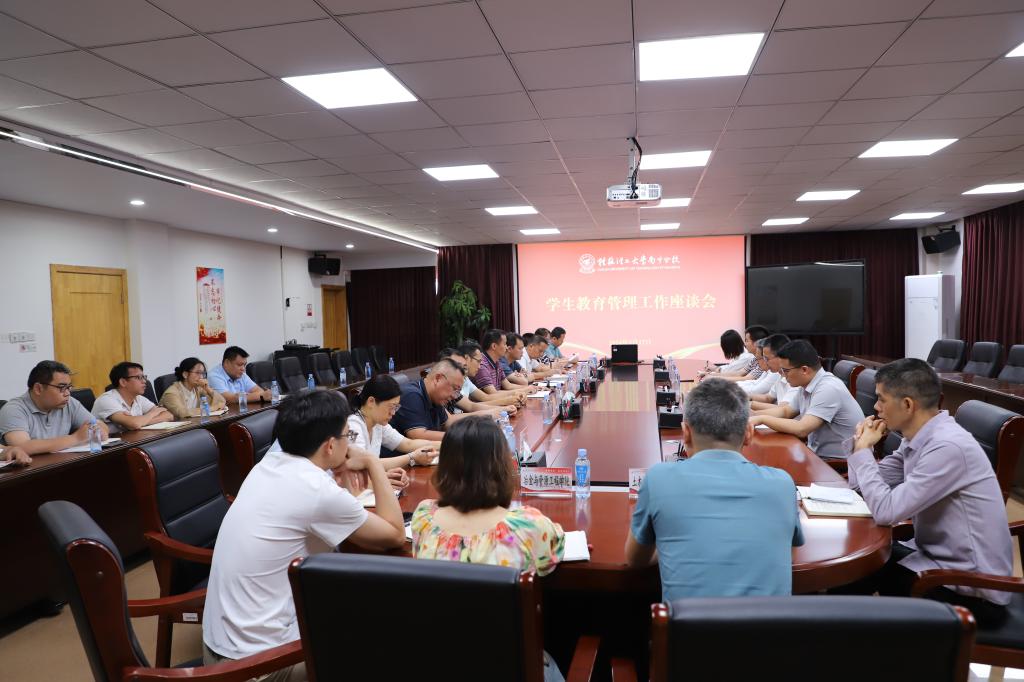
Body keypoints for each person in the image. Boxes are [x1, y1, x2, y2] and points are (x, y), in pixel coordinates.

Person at [203, 390, 405, 680]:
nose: (350, 445)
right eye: (348, 436)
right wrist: (373, 463)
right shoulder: (314, 489)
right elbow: (396, 534)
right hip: (257, 667)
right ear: (329, 445)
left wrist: (340, 475)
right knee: (385, 634)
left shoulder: (268, 465)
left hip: (221, 647)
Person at [844, 358, 1012, 626]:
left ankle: (850, 641)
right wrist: (860, 446)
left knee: (856, 569)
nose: (876, 407)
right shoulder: (917, 438)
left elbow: (886, 511)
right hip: (933, 560)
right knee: (857, 563)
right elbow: (860, 488)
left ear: (907, 405)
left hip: (970, 589)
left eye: (881, 399)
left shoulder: (947, 447)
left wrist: (864, 452)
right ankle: (846, 638)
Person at [410, 416, 565, 681]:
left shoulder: (424, 518)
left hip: (440, 664)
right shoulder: (526, 525)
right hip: (510, 666)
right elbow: (553, 552)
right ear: (501, 467)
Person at [625, 378, 803, 600]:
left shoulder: (658, 479)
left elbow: (635, 560)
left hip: (688, 623)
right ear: (749, 433)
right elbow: (788, 554)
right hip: (770, 623)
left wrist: (674, 544)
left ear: (685, 432)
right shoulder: (783, 484)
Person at [749, 340, 862, 460]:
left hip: (839, 463)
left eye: (786, 371)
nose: (783, 375)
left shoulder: (828, 388)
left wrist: (762, 419)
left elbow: (802, 428)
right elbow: (786, 411)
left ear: (804, 370)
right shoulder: (807, 385)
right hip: (817, 455)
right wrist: (753, 415)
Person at [348, 374, 440, 489]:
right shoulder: (353, 426)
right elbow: (363, 464)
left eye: (396, 407)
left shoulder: (378, 423)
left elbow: (407, 444)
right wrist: (412, 457)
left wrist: (446, 444)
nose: (393, 413)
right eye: (391, 407)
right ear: (371, 401)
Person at [0, 360, 106, 454]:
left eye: (69, 387)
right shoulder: (14, 409)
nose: (67, 393)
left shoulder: (69, 403)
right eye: (62, 387)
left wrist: (100, 430)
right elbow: (22, 446)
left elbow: (98, 424)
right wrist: (76, 438)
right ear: (38, 389)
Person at [389, 358, 465, 441]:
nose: (454, 396)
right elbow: (418, 435)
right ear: (438, 379)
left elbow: (446, 423)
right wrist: (463, 437)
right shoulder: (411, 394)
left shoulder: (435, 397)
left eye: (457, 391)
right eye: (454, 388)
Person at [92, 362, 173, 433]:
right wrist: (153, 413)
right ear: (123, 382)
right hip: (108, 444)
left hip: (131, 440)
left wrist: (141, 422)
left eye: (144, 377)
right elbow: (135, 424)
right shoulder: (106, 400)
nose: (144, 381)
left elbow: (168, 415)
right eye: (138, 378)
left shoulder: (139, 398)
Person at [439, 348, 520, 419]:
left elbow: (471, 406)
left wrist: (503, 409)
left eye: (462, 368)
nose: (479, 367)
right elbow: (449, 421)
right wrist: (505, 403)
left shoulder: (461, 382)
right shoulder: (438, 390)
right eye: (478, 361)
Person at [457, 341, 528, 407]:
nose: (506, 347)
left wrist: (515, 394)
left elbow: (485, 397)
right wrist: (507, 401)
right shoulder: (482, 367)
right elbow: (471, 407)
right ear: (466, 358)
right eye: (504, 344)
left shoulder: (466, 379)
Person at [159, 357, 226, 420]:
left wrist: (208, 388)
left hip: (193, 423)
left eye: (203, 373)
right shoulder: (171, 393)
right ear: (185, 374)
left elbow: (222, 401)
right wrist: (212, 408)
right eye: (198, 373)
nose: (201, 377)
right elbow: (182, 413)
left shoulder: (199, 388)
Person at [750, 334, 795, 411]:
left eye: (767, 359)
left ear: (780, 357)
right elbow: (768, 398)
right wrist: (745, 398)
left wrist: (749, 404)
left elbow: (783, 410)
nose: (765, 362)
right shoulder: (780, 375)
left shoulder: (795, 378)